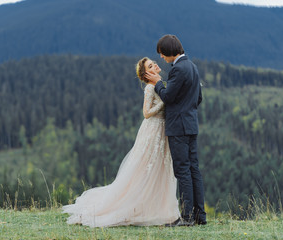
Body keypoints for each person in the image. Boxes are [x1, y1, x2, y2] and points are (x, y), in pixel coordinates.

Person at [62, 57, 180, 227]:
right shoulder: (150, 87)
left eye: (153, 62)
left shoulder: (161, 83)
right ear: (146, 74)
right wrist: (163, 103)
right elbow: (146, 113)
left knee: (161, 168)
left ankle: (160, 208)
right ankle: (136, 206)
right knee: (146, 167)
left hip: (163, 132)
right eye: (150, 65)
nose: (155, 64)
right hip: (152, 131)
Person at [145, 34, 207, 226]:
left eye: (162, 54)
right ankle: (200, 216)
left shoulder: (178, 69)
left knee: (182, 171)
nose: (161, 58)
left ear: (170, 51)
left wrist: (157, 83)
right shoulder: (193, 67)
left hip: (178, 127)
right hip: (191, 124)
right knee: (193, 169)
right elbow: (198, 98)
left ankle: (187, 217)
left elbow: (168, 97)